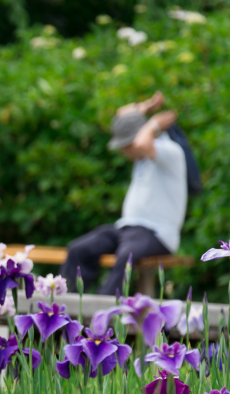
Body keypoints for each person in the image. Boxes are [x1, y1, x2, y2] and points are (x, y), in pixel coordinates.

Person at [60, 92, 188, 295]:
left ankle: (101, 317)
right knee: (78, 249)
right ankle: (65, 310)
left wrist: (153, 124)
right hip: (126, 229)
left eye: (125, 145)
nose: (123, 151)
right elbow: (122, 114)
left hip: (156, 234)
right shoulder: (142, 159)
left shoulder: (170, 152)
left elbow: (141, 144)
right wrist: (145, 107)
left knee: (125, 256)